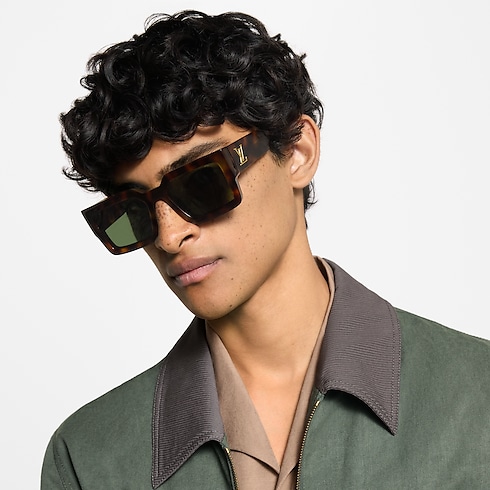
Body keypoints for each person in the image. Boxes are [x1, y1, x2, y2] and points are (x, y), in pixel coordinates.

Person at [41, 10, 489, 490]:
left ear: (297, 153)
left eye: (201, 183)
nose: (169, 237)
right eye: (135, 212)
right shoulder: (88, 459)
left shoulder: (476, 398)